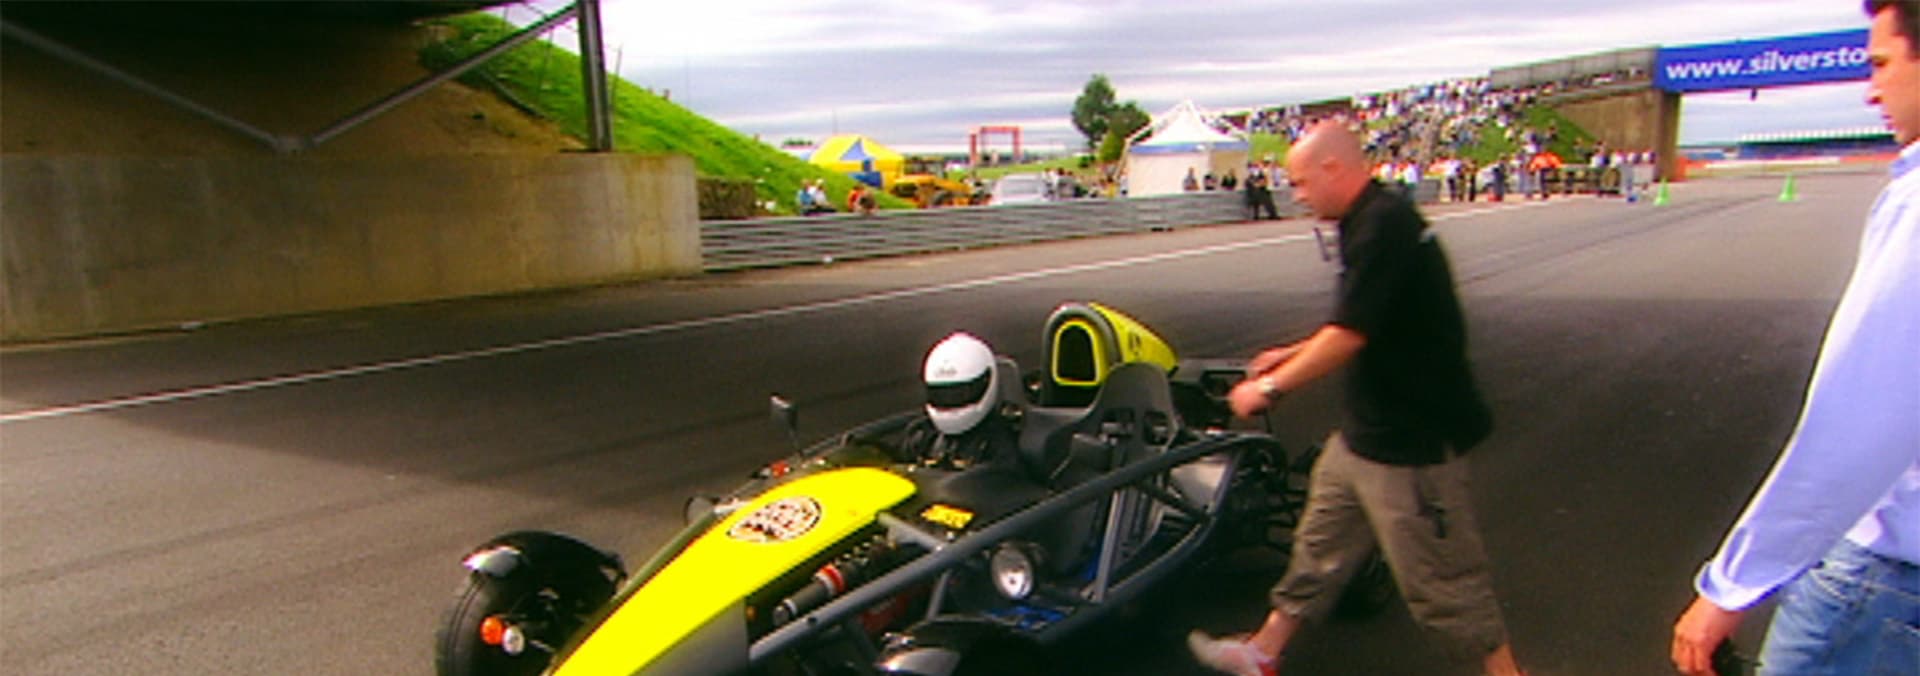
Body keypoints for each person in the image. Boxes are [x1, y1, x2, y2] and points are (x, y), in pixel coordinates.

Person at [1187, 120, 1522, 676]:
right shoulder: (1364, 221)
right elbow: (1366, 315)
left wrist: (1269, 386)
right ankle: (1264, 652)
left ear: (1333, 169)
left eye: (1300, 182)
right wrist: (1292, 353)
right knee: (1319, 547)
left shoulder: (1383, 226)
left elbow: (1350, 334)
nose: (1296, 195)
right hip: (1365, 435)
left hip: (1410, 442)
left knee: (1443, 582)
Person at [1670, 2, 1919, 674]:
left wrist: (1733, 584)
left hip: (1887, 581)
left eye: (1881, 64)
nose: (1871, 91)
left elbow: (1861, 416)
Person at [903, 332, 1020, 469]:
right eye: (941, 395)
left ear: (987, 382)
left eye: (960, 393)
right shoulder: (922, 436)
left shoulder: (1000, 443)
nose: (949, 402)